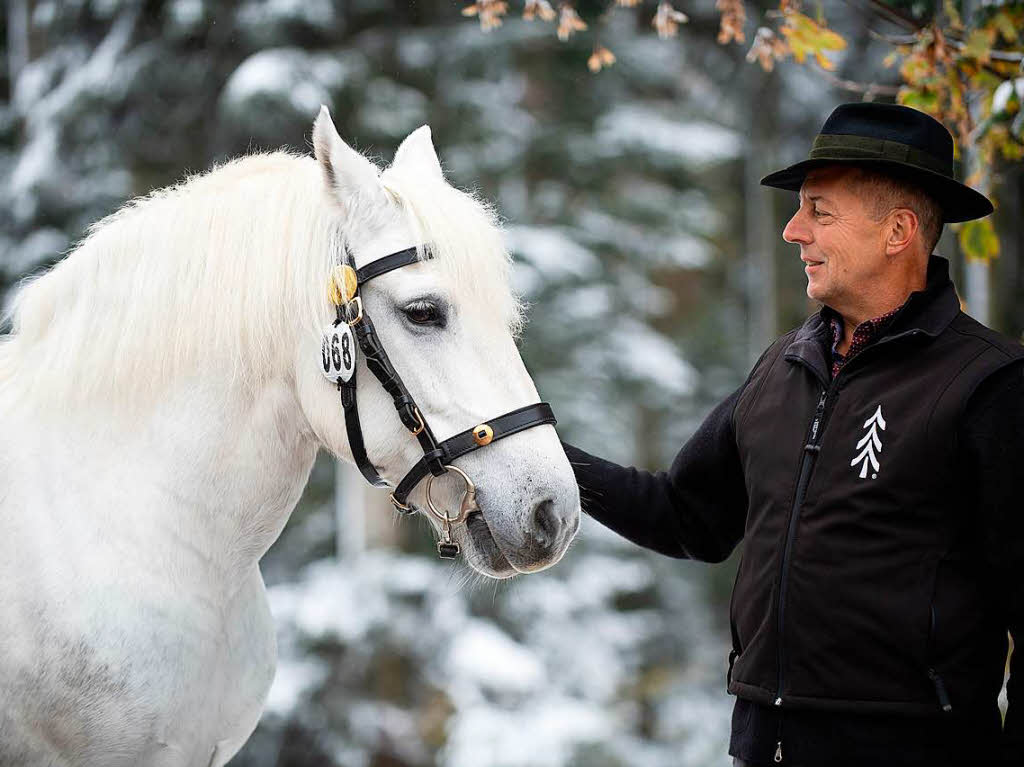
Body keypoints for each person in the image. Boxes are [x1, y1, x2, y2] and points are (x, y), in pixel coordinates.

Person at [562, 102, 1024, 767]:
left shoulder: (992, 384)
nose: (792, 230)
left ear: (897, 231)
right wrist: (542, 453)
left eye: (819, 210)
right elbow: (688, 516)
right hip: (762, 747)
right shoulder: (783, 366)